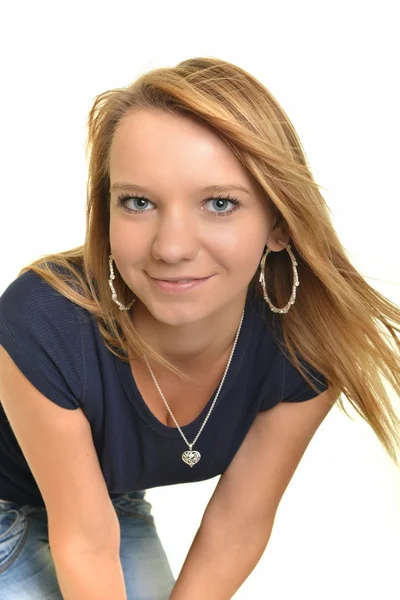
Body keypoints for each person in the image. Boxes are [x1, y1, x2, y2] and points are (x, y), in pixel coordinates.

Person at [0, 56, 399, 600]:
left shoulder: (308, 348)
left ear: (279, 223)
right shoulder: (45, 319)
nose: (172, 248)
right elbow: (84, 541)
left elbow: (237, 528)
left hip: (113, 502)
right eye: (138, 202)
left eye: (219, 204)